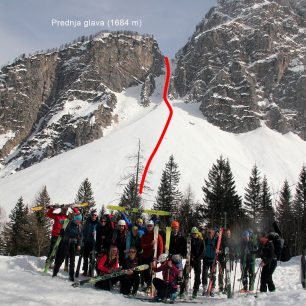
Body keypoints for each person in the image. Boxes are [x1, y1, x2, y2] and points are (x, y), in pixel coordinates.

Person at [52, 212, 82, 281]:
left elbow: (80, 237)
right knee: (61, 258)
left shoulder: (79, 227)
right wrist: (62, 231)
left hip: (73, 244)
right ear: (75, 219)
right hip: (65, 242)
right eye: (78, 220)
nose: (79, 221)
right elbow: (60, 221)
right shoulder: (68, 223)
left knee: (72, 261)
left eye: (80, 220)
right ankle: (55, 273)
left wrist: (79, 244)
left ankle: (71, 276)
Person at [179, 227, 204, 298]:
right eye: (193, 233)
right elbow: (185, 249)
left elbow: (203, 251)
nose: (194, 235)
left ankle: (195, 291)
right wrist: (187, 255)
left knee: (197, 276)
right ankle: (182, 291)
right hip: (189, 260)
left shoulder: (200, 241)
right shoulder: (189, 240)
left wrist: (198, 258)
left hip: (197, 260)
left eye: (195, 233)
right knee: (185, 274)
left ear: (197, 233)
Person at [140, 220, 164, 291]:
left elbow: (160, 247)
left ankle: (151, 285)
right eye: (148, 226)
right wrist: (150, 244)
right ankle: (148, 284)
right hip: (144, 256)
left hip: (153, 257)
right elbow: (142, 246)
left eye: (150, 226)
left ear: (153, 226)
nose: (149, 227)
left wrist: (158, 258)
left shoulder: (157, 236)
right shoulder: (144, 235)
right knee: (144, 272)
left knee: (151, 272)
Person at [218, 228, 236, 292]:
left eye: (229, 233)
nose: (228, 234)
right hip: (221, 259)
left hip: (228, 260)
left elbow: (233, 249)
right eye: (227, 233)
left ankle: (226, 287)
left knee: (227, 274)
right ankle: (221, 287)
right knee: (221, 273)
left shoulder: (232, 240)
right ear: (225, 234)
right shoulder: (221, 240)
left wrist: (233, 255)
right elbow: (219, 248)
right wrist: (221, 253)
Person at [82, 209, 98, 276]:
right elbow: (83, 231)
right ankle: (85, 270)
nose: (93, 216)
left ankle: (90, 271)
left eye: (95, 215)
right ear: (91, 216)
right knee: (85, 257)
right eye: (92, 215)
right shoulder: (87, 223)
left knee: (92, 258)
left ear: (96, 216)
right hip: (87, 242)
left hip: (94, 244)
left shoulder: (98, 224)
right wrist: (83, 240)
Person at [202, 228, 217, 296]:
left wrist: (218, 251)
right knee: (204, 274)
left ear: (213, 234)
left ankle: (212, 289)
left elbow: (220, 249)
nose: (209, 235)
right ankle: (205, 289)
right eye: (208, 233)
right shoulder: (205, 240)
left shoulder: (216, 240)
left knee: (213, 275)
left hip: (213, 260)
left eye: (211, 233)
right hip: (206, 259)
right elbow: (202, 248)